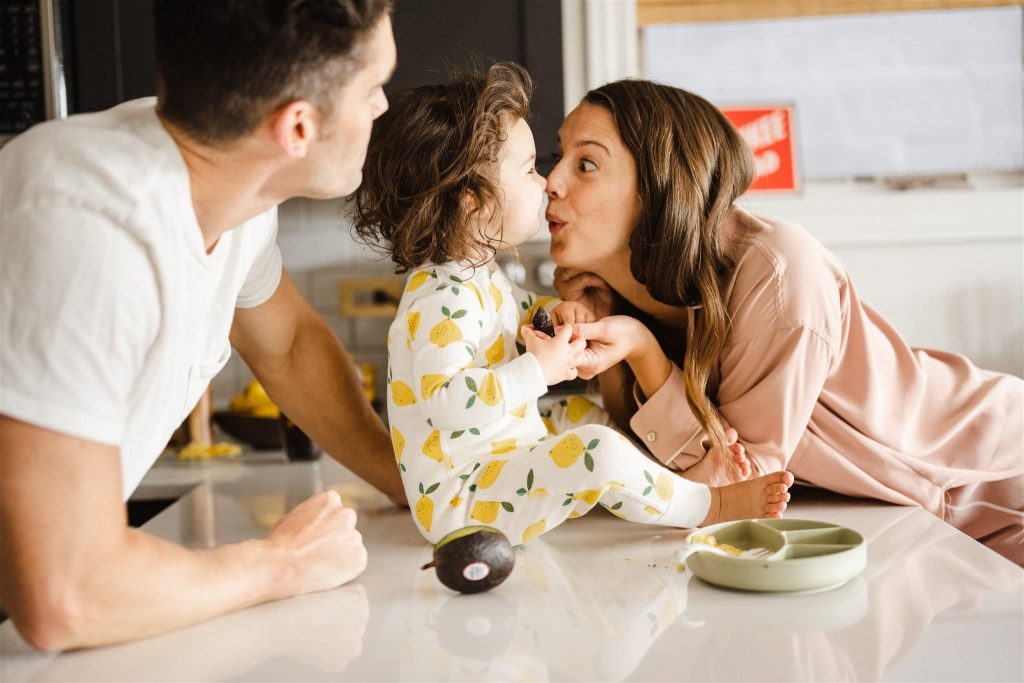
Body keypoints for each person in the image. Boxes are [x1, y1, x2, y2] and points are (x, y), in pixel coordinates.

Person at [0, 0, 405, 651]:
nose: (383, 107)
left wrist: (413, 482)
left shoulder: (234, 194)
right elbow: (65, 595)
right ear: (296, 126)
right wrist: (282, 562)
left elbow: (292, 345)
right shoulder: (85, 228)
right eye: (371, 87)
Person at [545, 79, 1024, 565]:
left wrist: (644, 352)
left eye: (586, 164)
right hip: (922, 528)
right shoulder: (612, 292)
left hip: (992, 481)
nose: (551, 181)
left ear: (660, 183)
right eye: (558, 156)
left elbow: (736, 497)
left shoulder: (777, 273)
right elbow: (650, 474)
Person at [351, 63, 793, 546]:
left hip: (497, 459)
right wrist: (537, 371)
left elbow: (510, 316)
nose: (545, 183)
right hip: (464, 501)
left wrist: (559, 314)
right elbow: (448, 405)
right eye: (528, 170)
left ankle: (669, 485)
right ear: (472, 201)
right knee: (596, 450)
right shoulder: (440, 299)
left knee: (582, 415)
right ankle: (707, 505)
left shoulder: (474, 277)